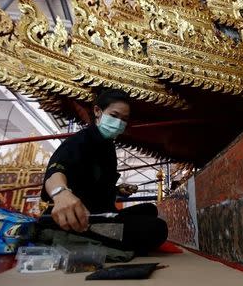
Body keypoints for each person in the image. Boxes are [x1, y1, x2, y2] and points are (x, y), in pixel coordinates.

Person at [40, 89, 168, 253]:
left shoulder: (107, 147)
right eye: (114, 116)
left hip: (101, 213)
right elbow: (55, 172)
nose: (119, 123)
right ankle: (76, 238)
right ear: (97, 111)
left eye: (124, 119)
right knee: (157, 229)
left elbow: (95, 186)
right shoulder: (80, 140)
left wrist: (117, 190)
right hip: (78, 219)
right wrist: (61, 193)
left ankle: (108, 235)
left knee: (150, 209)